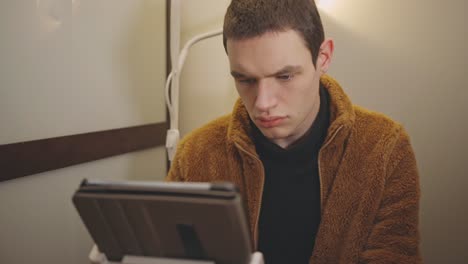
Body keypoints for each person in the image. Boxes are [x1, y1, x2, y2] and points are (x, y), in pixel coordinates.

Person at [166, 0, 421, 263]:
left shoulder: (384, 148)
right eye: (245, 79)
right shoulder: (195, 154)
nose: (263, 103)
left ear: (323, 58)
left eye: (284, 76)